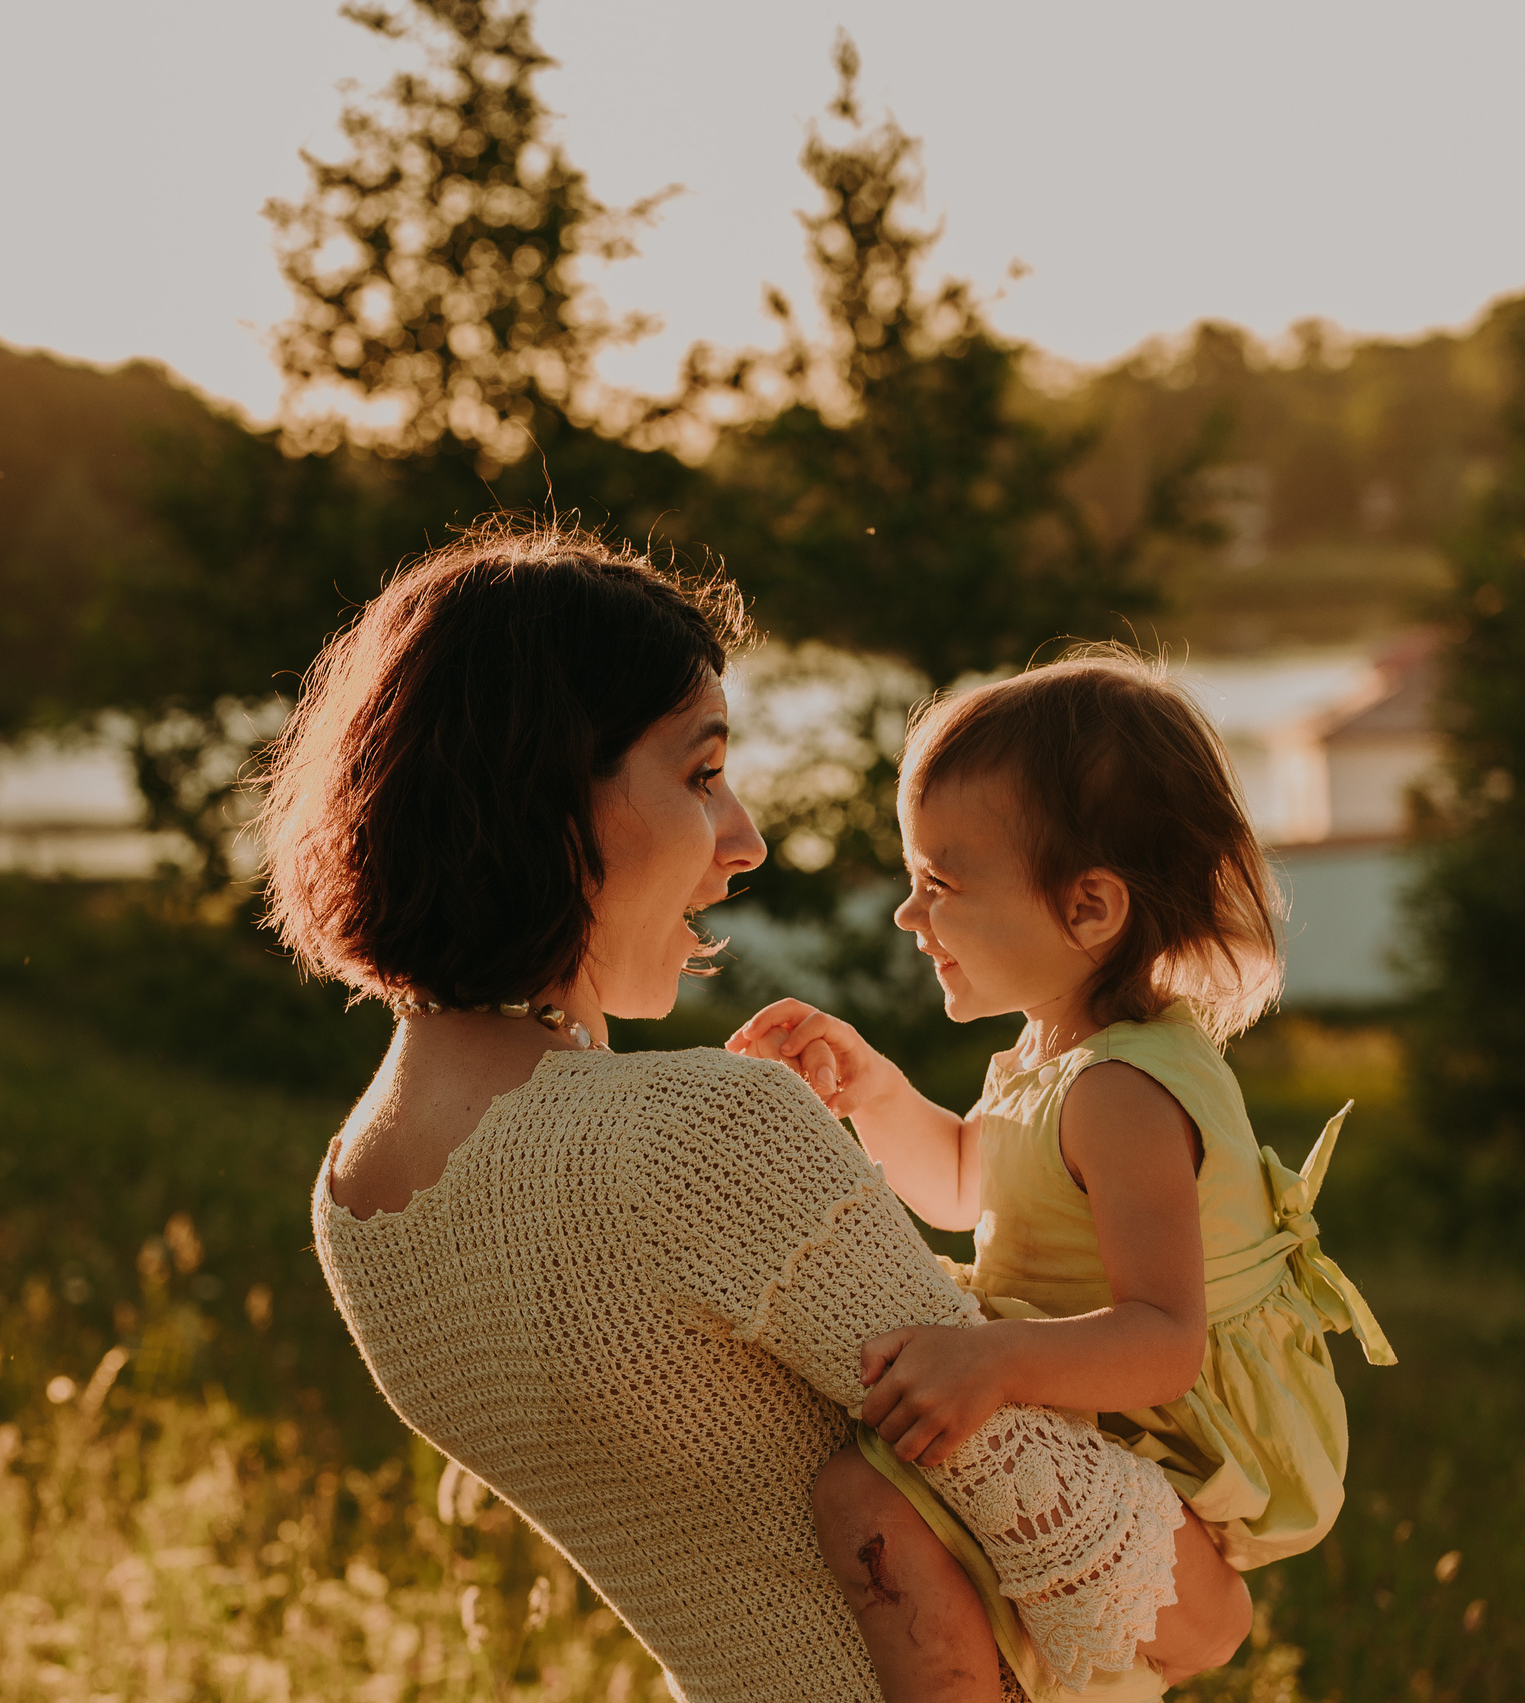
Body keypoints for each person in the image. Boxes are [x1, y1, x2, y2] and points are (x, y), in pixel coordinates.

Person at [261, 525, 1251, 1703]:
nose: (745, 840)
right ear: (546, 798)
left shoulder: (355, 1201)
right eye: (700, 775)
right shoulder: (697, 1135)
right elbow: (1188, 1615)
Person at [729, 651, 1393, 1694]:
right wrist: (876, 1091)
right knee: (877, 1498)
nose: (908, 916)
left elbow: (1163, 1340)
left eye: (939, 885)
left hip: (1172, 1431)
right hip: (1084, 1393)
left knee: (869, 1499)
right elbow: (967, 1182)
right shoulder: (1050, 1050)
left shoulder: (1123, 1089)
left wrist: (992, 1361)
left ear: (1089, 906)